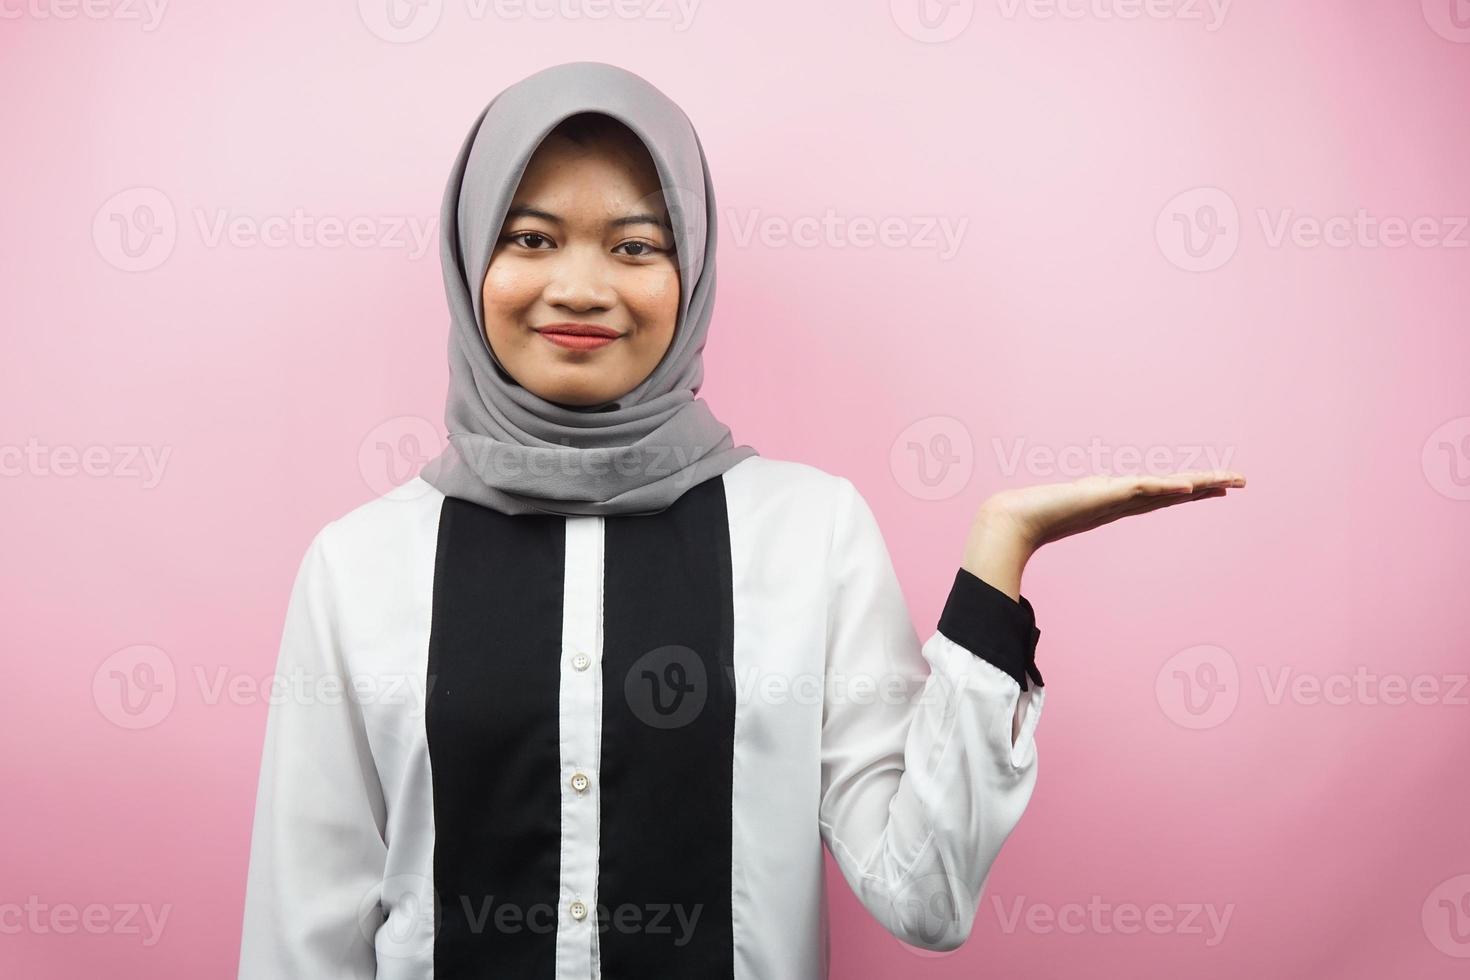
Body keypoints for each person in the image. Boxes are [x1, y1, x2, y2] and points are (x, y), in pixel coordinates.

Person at [236, 61, 1246, 979]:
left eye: (635, 245)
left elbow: (925, 894)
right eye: (532, 236)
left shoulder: (809, 535)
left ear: (692, 274)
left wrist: (997, 564)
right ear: (469, 257)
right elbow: (302, 938)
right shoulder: (359, 566)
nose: (580, 287)